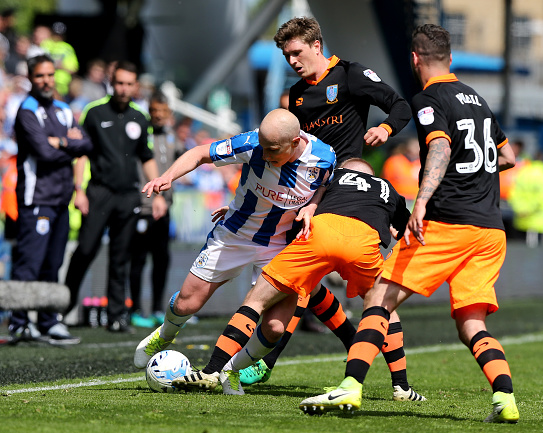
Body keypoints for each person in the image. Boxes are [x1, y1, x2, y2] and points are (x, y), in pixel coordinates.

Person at [297, 24, 519, 423]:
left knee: (379, 299)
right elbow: (507, 158)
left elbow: (438, 146)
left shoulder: (429, 98)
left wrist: (422, 201)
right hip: (490, 229)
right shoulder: (480, 102)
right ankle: (505, 400)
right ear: (450, 58)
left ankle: (350, 388)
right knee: (471, 322)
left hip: (448, 224)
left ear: (414, 59)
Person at [237, 16, 423, 403]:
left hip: (349, 193)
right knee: (300, 283)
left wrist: (386, 129)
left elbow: (400, 105)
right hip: (307, 195)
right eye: (286, 55)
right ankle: (299, 353)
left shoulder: (353, 76)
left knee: (364, 292)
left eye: (297, 52)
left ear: (316, 45)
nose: (292, 61)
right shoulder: (297, 95)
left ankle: (397, 380)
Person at [171, 158, 409, 397]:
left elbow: (284, 204)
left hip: (319, 235)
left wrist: (241, 213)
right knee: (383, 307)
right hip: (364, 246)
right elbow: (411, 230)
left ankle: (213, 370)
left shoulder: (329, 178)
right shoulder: (387, 188)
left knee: (256, 300)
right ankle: (401, 386)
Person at [133, 108, 336, 369]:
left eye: (273, 149)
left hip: (279, 246)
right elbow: (200, 153)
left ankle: (231, 370)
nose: (265, 154)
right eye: (263, 147)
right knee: (187, 304)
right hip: (235, 234)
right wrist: (167, 177)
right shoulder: (252, 143)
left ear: (295, 143)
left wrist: (313, 205)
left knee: (275, 327)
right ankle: (163, 336)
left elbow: (326, 182)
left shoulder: (324, 156)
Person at [64, 61, 167, 333]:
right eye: (119, 83)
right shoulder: (94, 112)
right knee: (85, 250)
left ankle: (117, 316)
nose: (123, 88)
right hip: (99, 192)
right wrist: (79, 190)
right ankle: (62, 308)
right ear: (112, 82)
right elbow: (82, 152)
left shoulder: (140, 117)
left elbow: (146, 156)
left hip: (128, 195)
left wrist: (157, 193)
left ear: (135, 85)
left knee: (121, 256)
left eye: (128, 84)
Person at [8, 54, 92, 343]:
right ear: (31, 78)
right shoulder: (27, 110)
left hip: (61, 197)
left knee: (53, 263)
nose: (45, 81)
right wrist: (69, 145)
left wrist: (63, 142)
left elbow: (87, 145)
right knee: (29, 262)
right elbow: (43, 153)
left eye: (49, 75)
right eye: (40, 76)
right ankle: (19, 321)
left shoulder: (64, 110)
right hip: (36, 198)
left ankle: (47, 321)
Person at [129, 91, 185, 328]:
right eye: (154, 112)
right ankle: (134, 309)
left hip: (164, 208)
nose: (159, 116)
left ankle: (157, 308)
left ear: (169, 114)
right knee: (138, 258)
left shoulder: (173, 138)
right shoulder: (142, 135)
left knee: (161, 259)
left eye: (163, 112)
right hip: (142, 207)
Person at [40, 22, 79, 97]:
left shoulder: (67, 48)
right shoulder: (45, 44)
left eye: (59, 35)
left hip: (62, 87)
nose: (57, 37)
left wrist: (60, 66)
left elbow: (74, 69)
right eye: (55, 34)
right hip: (45, 82)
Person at [381, 137, 421, 209]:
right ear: (406, 149)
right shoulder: (394, 161)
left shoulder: (421, 163)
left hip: (416, 200)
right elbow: (386, 180)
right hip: (397, 198)